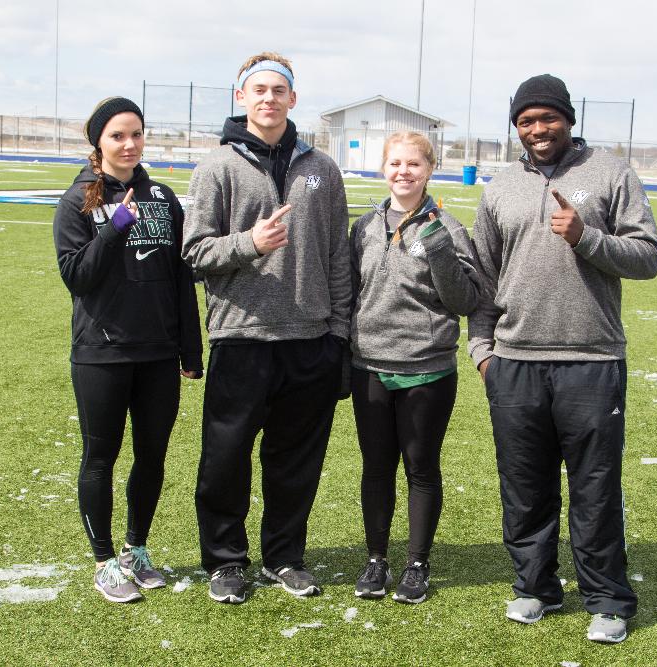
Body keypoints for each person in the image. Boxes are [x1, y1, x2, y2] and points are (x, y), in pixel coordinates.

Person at [468, 74, 657, 643]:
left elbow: (648, 257)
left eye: (546, 118)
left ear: (568, 119)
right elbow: (481, 276)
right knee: (524, 485)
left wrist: (587, 238)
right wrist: (483, 350)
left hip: (591, 360)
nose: (536, 130)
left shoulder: (610, 173)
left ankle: (607, 599)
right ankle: (535, 588)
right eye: (525, 122)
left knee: (595, 486)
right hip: (515, 362)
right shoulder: (501, 186)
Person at [182, 52, 351, 604]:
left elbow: (337, 258)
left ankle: (285, 557)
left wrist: (340, 335)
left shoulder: (322, 170)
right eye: (259, 90)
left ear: (293, 100)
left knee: (295, 463)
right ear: (241, 98)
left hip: (309, 341)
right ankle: (226, 562)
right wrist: (249, 244)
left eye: (279, 90)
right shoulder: (217, 167)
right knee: (225, 460)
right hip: (242, 338)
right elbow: (194, 252)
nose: (269, 99)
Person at [53, 97, 204, 603]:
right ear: (98, 141)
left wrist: (189, 346)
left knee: (153, 456)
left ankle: (135, 549)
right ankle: (103, 562)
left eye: (136, 133)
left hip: (158, 352)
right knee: (101, 456)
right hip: (101, 352)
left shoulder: (162, 196)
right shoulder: (77, 200)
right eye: (118, 135)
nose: (130, 143)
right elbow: (77, 276)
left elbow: (181, 277)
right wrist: (115, 228)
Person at [348, 131, 481, 604]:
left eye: (414, 165)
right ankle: (376, 559)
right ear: (383, 169)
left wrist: (438, 247)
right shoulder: (363, 226)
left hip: (426, 368)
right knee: (376, 467)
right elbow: (350, 293)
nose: (403, 172)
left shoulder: (449, 226)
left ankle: (417, 565)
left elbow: (466, 299)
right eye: (395, 164)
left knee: (421, 467)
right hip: (369, 367)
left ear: (430, 169)